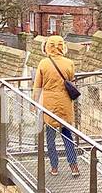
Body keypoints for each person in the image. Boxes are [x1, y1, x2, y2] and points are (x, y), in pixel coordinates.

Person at [32, 34, 80, 176]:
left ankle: (54, 167)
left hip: (49, 105)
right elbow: (71, 80)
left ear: (48, 47)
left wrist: (34, 102)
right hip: (65, 102)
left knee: (50, 138)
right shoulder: (69, 63)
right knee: (67, 134)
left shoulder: (43, 63)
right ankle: (74, 166)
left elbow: (37, 86)